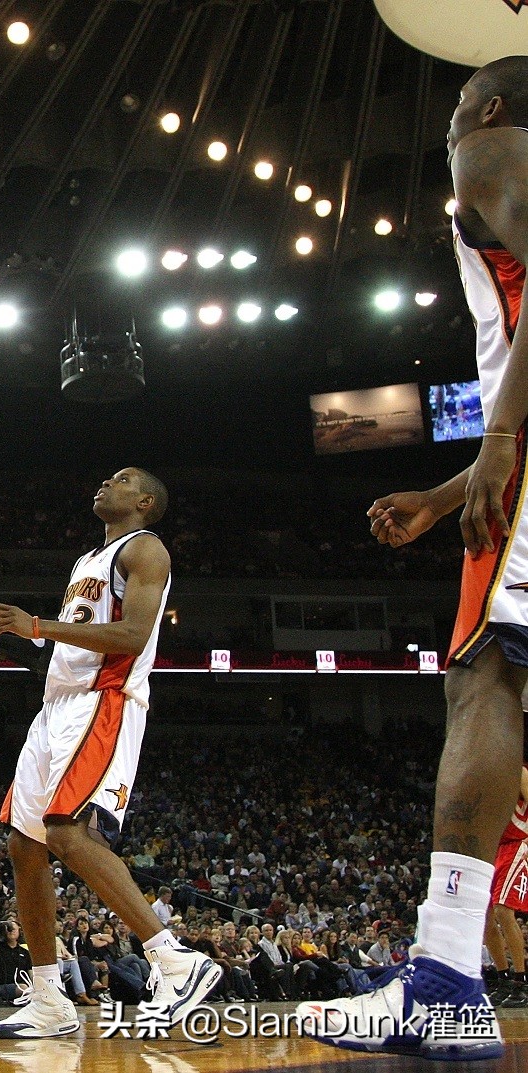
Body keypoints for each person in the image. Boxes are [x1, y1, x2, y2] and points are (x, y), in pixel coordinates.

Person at [312, 58, 528, 1062]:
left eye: (452, 107)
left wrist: (495, 446)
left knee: (483, 679)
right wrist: (447, 495)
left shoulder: (497, 158)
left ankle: (442, 982)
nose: (446, 126)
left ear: (486, 108)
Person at [0, 468, 220, 1040]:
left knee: (68, 833)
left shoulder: (146, 550)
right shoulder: (88, 561)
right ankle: (48, 999)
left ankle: (175, 959)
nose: (104, 483)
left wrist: (37, 623)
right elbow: (56, 656)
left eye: (121, 479)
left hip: (102, 703)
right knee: (24, 845)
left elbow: (134, 636)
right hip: (57, 706)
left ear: (144, 501)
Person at [485, 766, 528, 1007]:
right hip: (493, 848)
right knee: (485, 915)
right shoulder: (486, 777)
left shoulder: (518, 771)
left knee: (503, 910)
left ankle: (520, 981)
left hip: (516, 844)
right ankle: (503, 980)